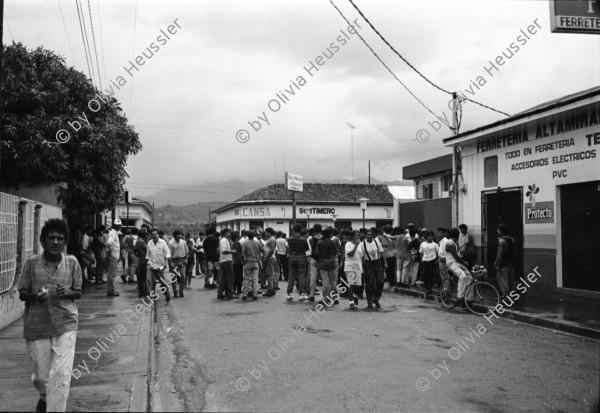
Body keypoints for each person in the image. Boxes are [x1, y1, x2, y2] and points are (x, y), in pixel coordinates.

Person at [18, 219, 82, 412]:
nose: (55, 242)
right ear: (43, 241)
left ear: (65, 242)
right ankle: (45, 399)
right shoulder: (31, 263)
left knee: (61, 375)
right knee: (42, 379)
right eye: (51, 238)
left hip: (66, 324)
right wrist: (36, 297)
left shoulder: (72, 262)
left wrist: (68, 293)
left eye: (60, 239)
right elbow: (22, 293)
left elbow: (78, 291)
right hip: (37, 327)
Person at [445, 228, 473, 305]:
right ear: (457, 235)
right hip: (451, 263)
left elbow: (458, 256)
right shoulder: (450, 244)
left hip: (457, 263)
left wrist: (463, 263)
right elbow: (456, 257)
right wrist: (464, 263)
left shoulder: (454, 242)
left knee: (470, 278)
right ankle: (460, 296)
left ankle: (468, 297)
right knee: (462, 276)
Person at [146, 228, 172, 303]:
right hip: (150, 265)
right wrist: (147, 262)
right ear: (151, 235)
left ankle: (166, 293)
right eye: (153, 234)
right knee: (148, 280)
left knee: (161, 281)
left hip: (160, 266)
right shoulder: (149, 243)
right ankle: (150, 296)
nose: (154, 235)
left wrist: (165, 264)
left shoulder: (163, 242)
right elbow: (147, 255)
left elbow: (168, 254)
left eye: (155, 234)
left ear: (158, 235)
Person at [315, 227, 339, 306]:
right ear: (329, 234)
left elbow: (317, 253)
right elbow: (336, 252)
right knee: (333, 282)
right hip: (332, 263)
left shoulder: (319, 242)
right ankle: (335, 298)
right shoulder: (333, 242)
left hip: (323, 264)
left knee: (326, 282)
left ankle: (326, 298)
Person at [362, 229, 386, 308]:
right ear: (366, 236)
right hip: (368, 263)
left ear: (373, 235)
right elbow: (361, 257)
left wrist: (385, 262)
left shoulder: (376, 242)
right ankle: (369, 300)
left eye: (371, 235)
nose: (369, 236)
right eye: (368, 235)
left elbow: (381, 252)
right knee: (370, 283)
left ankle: (376, 298)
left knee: (381, 282)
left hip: (377, 263)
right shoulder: (363, 244)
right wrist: (362, 267)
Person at [286, 224, 310, 301]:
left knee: (291, 276)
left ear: (293, 229)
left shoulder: (289, 239)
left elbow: (288, 249)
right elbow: (306, 250)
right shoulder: (303, 239)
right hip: (301, 259)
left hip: (292, 258)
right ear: (300, 230)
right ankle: (302, 294)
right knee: (301, 276)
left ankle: (289, 294)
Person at [241, 230, 264, 300]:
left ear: (247, 236)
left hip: (248, 261)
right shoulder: (257, 242)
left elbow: (242, 254)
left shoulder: (245, 242)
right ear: (254, 235)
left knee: (246, 278)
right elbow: (263, 250)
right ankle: (255, 294)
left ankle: (245, 294)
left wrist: (243, 261)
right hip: (256, 261)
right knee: (255, 278)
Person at [343, 231, 364, 309]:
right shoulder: (348, 244)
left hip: (358, 266)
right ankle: (351, 302)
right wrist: (356, 245)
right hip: (349, 266)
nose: (358, 237)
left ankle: (354, 295)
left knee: (358, 285)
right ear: (352, 236)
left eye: (358, 235)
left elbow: (361, 255)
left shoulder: (360, 244)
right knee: (351, 285)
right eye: (356, 235)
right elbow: (350, 254)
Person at [495, 223, 516, 298]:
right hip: (511, 263)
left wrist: (497, 264)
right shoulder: (512, 239)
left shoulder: (502, 241)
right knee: (511, 282)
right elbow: (513, 252)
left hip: (503, 264)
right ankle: (513, 297)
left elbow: (500, 255)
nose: (497, 232)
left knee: (504, 282)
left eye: (498, 230)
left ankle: (506, 298)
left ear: (501, 231)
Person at [218, 228, 238, 300]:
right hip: (226, 260)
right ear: (224, 234)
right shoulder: (223, 241)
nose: (229, 234)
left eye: (229, 233)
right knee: (230, 277)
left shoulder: (226, 240)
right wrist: (233, 251)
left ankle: (220, 293)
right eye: (227, 233)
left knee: (223, 278)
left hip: (224, 260)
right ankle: (230, 293)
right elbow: (224, 251)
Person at [168, 230, 188, 298]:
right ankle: (175, 292)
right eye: (179, 234)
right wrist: (170, 263)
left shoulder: (183, 242)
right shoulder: (171, 243)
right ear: (175, 236)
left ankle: (181, 290)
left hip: (182, 260)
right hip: (174, 261)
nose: (180, 235)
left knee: (183, 276)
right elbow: (169, 254)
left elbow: (186, 251)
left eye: (180, 234)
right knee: (173, 277)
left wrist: (186, 259)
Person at [262, 228, 280, 297]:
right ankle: (272, 288)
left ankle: (270, 289)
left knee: (270, 274)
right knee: (270, 274)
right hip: (270, 258)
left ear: (269, 232)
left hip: (270, 258)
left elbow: (272, 250)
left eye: (266, 232)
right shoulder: (271, 239)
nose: (265, 233)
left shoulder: (272, 239)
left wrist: (266, 257)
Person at [106, 219, 122, 297]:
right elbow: (109, 243)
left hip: (114, 255)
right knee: (111, 274)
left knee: (112, 273)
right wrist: (110, 251)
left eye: (120, 225)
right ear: (114, 225)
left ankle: (111, 289)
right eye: (117, 225)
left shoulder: (114, 233)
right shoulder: (113, 233)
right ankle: (110, 290)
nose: (119, 227)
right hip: (113, 255)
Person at [307, 224, 323, 302]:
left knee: (313, 278)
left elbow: (311, 249)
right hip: (322, 259)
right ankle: (326, 296)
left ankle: (311, 295)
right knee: (324, 278)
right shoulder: (323, 239)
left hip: (313, 259)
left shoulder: (311, 239)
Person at [136, 228, 149, 298]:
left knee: (141, 278)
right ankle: (143, 292)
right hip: (143, 261)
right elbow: (147, 249)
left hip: (140, 260)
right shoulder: (142, 242)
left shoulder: (138, 241)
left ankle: (142, 292)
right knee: (143, 277)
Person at [437, 227, 450, 294]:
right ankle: (444, 290)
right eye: (438, 233)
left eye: (441, 233)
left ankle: (446, 290)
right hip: (441, 259)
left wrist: (443, 259)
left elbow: (446, 252)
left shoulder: (445, 241)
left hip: (443, 260)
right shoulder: (441, 241)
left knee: (445, 276)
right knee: (443, 276)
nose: (439, 235)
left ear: (445, 234)